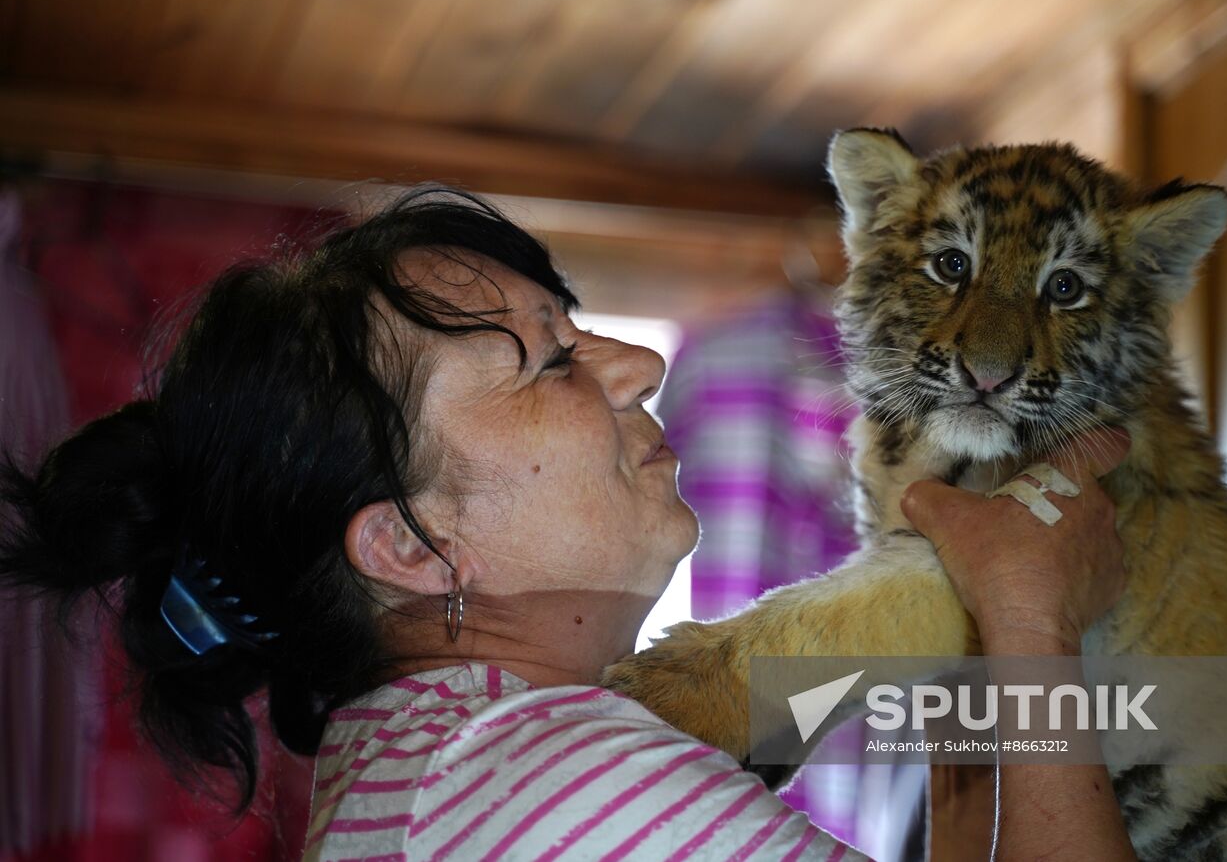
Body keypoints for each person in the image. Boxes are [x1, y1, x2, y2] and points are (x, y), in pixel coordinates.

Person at [0, 188, 1135, 861]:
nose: (639, 366)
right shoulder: (553, 775)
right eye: (549, 364)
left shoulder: (428, 753)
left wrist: (940, 614)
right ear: (410, 545)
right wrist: (1030, 614)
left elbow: (747, 728)